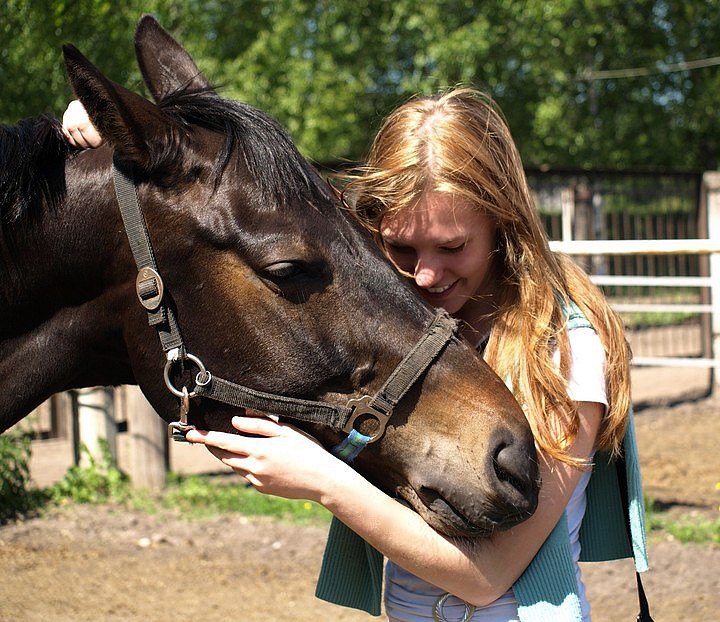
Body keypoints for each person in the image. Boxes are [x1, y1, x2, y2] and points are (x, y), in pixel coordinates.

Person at [61, 88, 649, 622]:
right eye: (399, 246)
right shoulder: (402, 330)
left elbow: (488, 575)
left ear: (503, 224)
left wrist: (325, 482)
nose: (425, 272)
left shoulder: (562, 350)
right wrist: (125, 132)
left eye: (453, 247)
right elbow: (259, 195)